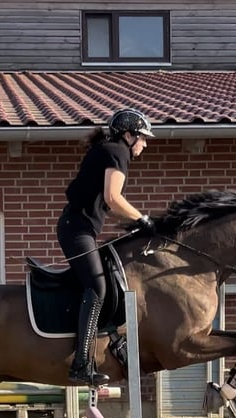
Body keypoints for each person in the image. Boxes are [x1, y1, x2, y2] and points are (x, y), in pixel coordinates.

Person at [56, 108, 156, 386]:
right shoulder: (118, 152)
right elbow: (113, 198)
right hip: (76, 230)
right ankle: (80, 364)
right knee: (98, 287)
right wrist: (142, 219)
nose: (145, 144)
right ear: (129, 135)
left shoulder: (109, 149)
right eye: (143, 138)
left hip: (78, 228)